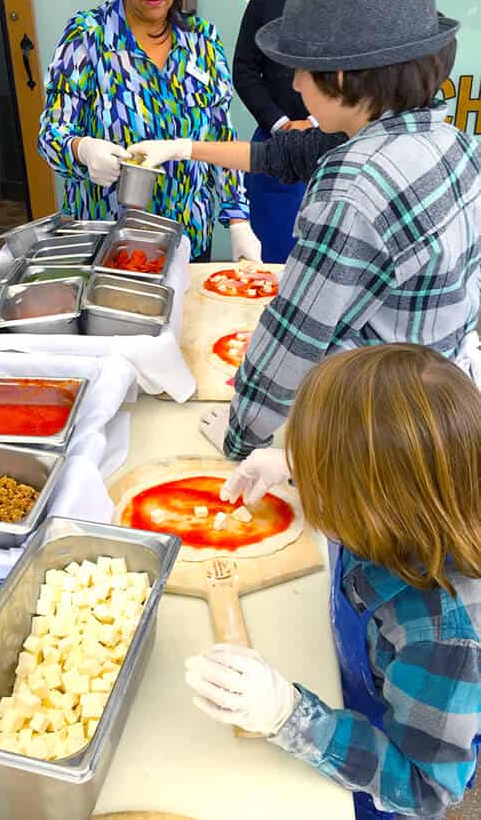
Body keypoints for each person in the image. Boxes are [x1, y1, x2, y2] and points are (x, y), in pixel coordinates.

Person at [128, 0, 481, 458]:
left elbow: (293, 336)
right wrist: (184, 147)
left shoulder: (354, 183)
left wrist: (241, 433)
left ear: (339, 76)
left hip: (372, 433)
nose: (293, 84)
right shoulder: (455, 144)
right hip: (442, 417)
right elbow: (284, 154)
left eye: (300, 71)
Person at [185, 345, 481, 820]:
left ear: (374, 507)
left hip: (372, 781)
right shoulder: (409, 507)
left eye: (327, 480)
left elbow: (425, 791)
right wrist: (299, 465)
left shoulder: (443, 639)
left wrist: (290, 716)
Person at [38, 0, 261, 263]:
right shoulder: (88, 36)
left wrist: (239, 219)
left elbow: (221, 136)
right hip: (110, 240)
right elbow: (50, 134)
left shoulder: (202, 41)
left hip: (187, 236)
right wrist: (81, 148)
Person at [234, 0, 342, 262]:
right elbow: (244, 69)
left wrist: (315, 123)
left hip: (336, 142)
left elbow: (363, 75)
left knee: (329, 261)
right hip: (274, 141)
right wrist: (282, 124)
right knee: (271, 260)